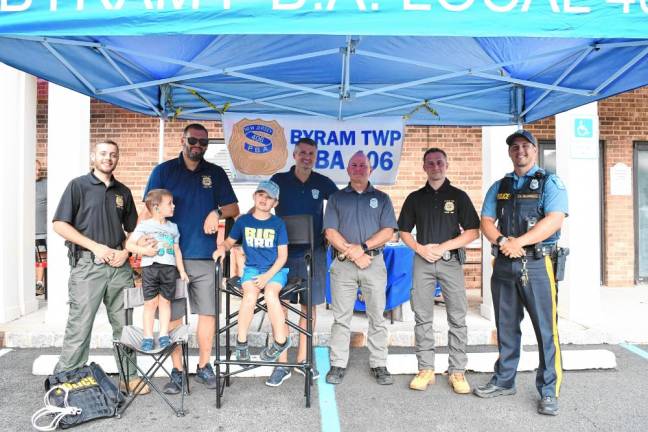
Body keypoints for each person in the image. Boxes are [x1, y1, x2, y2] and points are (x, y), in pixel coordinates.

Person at [474, 129, 568, 416]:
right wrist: (503, 241)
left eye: (525, 146)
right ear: (509, 152)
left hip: (538, 264)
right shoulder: (500, 186)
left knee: (545, 330)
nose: (520, 151)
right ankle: (504, 380)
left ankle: (549, 391)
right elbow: (486, 221)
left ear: (535, 150)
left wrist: (519, 242)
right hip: (504, 263)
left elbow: (554, 219)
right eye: (515, 147)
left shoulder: (550, 182)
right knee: (505, 326)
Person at [142, 123, 239, 394]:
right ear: (183, 140)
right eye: (193, 140)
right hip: (167, 259)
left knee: (208, 312)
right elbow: (148, 210)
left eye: (203, 142)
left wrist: (216, 212)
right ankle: (177, 371)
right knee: (172, 315)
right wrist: (139, 244)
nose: (198, 145)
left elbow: (234, 208)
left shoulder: (216, 172)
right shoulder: (163, 171)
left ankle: (204, 366)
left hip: (204, 257)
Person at [52, 139, 149, 394]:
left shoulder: (123, 192)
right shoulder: (78, 186)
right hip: (88, 266)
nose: (108, 158)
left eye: (113, 154)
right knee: (80, 324)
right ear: (93, 156)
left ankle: (129, 377)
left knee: (125, 325)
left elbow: (133, 230)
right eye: (103, 154)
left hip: (120, 268)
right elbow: (60, 225)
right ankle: (66, 379)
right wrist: (95, 247)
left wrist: (125, 252)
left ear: (117, 158)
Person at [398, 148, 480, 394]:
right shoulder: (414, 198)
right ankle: (425, 369)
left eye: (439, 163)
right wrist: (420, 249)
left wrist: (444, 246)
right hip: (423, 262)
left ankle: (457, 371)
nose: (435, 167)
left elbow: (472, 231)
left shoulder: (458, 196)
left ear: (446, 165)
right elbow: (403, 231)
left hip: (449, 261)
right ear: (424, 167)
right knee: (422, 316)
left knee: (457, 316)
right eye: (430, 163)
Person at [265, 137, 338, 387]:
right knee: (281, 306)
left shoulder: (322, 182)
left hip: (314, 252)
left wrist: (331, 229)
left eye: (311, 154)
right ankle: (282, 364)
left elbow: (340, 205)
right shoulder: (278, 181)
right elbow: (262, 205)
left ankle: (303, 361)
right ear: (294, 155)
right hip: (282, 254)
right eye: (302, 153)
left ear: (315, 157)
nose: (307, 157)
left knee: (309, 307)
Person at [323, 151, 398, 385]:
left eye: (362, 165)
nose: (358, 168)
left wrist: (363, 248)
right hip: (344, 264)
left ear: (370, 169)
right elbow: (330, 232)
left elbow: (388, 231)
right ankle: (337, 364)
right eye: (354, 165)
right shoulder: (336, 198)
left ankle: (379, 364)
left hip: (373, 263)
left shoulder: (383, 198)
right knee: (341, 318)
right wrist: (353, 253)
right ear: (348, 169)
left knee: (377, 316)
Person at [212, 180, 291, 362]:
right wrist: (221, 249)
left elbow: (282, 257)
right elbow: (229, 242)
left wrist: (267, 277)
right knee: (249, 295)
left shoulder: (278, 224)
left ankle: (280, 341)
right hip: (252, 269)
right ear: (254, 196)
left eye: (269, 197)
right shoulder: (244, 222)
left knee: (271, 295)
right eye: (261, 195)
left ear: (275, 203)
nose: (264, 199)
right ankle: (241, 343)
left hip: (274, 270)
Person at [126, 189, 189, 351]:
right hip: (150, 269)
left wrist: (181, 271)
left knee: (165, 302)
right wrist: (145, 251)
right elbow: (129, 245)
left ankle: (163, 334)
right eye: (169, 203)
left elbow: (177, 250)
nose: (173, 206)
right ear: (156, 208)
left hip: (169, 270)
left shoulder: (173, 227)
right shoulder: (145, 225)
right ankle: (147, 336)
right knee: (150, 303)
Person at [35, 159, 47, 296]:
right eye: (35, 170)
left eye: (39, 169)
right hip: (23, 233)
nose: (38, 172)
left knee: (41, 258)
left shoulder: (45, 185)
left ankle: (39, 284)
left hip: (41, 232)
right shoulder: (20, 185)